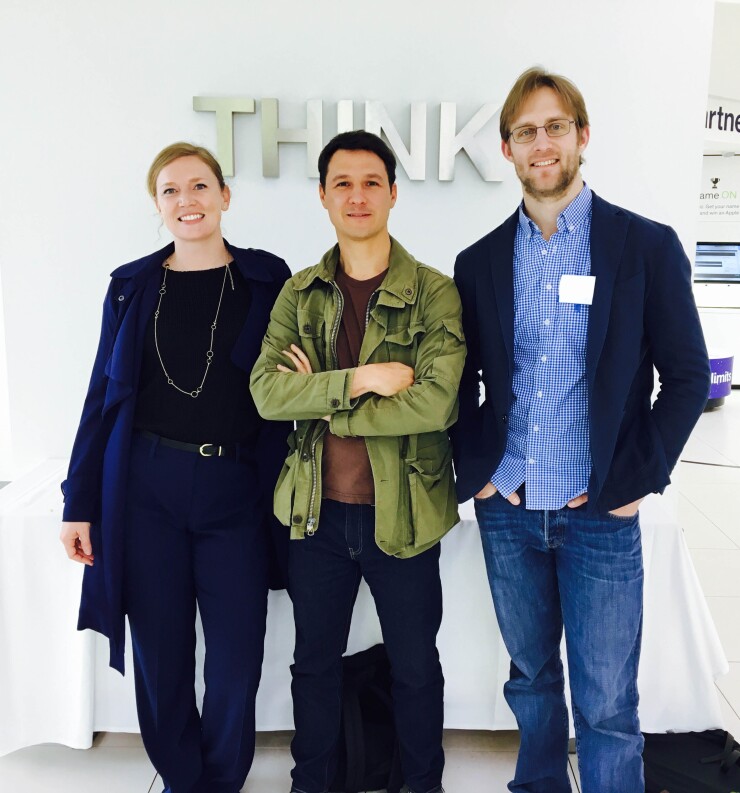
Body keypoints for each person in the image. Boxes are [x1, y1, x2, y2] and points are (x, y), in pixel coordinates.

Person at [452, 68, 710, 793]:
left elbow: (686, 376)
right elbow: (458, 384)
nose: (542, 142)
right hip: (508, 509)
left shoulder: (646, 249)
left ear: (582, 136)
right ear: (506, 149)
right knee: (531, 679)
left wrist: (636, 478)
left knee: (605, 702)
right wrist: (476, 470)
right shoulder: (477, 264)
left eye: (555, 126)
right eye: (526, 131)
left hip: (600, 512)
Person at [59, 142, 291, 793]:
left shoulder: (267, 279)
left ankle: (220, 778)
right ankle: (182, 777)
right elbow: (101, 398)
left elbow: (296, 380)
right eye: (170, 190)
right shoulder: (132, 286)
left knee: (237, 657)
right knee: (159, 656)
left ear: (224, 196)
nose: (186, 201)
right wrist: (79, 500)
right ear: (156, 204)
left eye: (198, 186)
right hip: (146, 492)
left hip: (236, 492)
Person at [250, 130, 465, 793]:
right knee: (311, 663)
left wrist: (323, 401)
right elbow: (266, 391)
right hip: (316, 514)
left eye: (371, 181)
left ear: (394, 193)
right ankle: (311, 782)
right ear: (322, 196)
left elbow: (436, 403)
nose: (357, 195)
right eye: (342, 183)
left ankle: (421, 784)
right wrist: (362, 378)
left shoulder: (434, 292)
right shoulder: (300, 292)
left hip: (404, 516)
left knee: (415, 668)